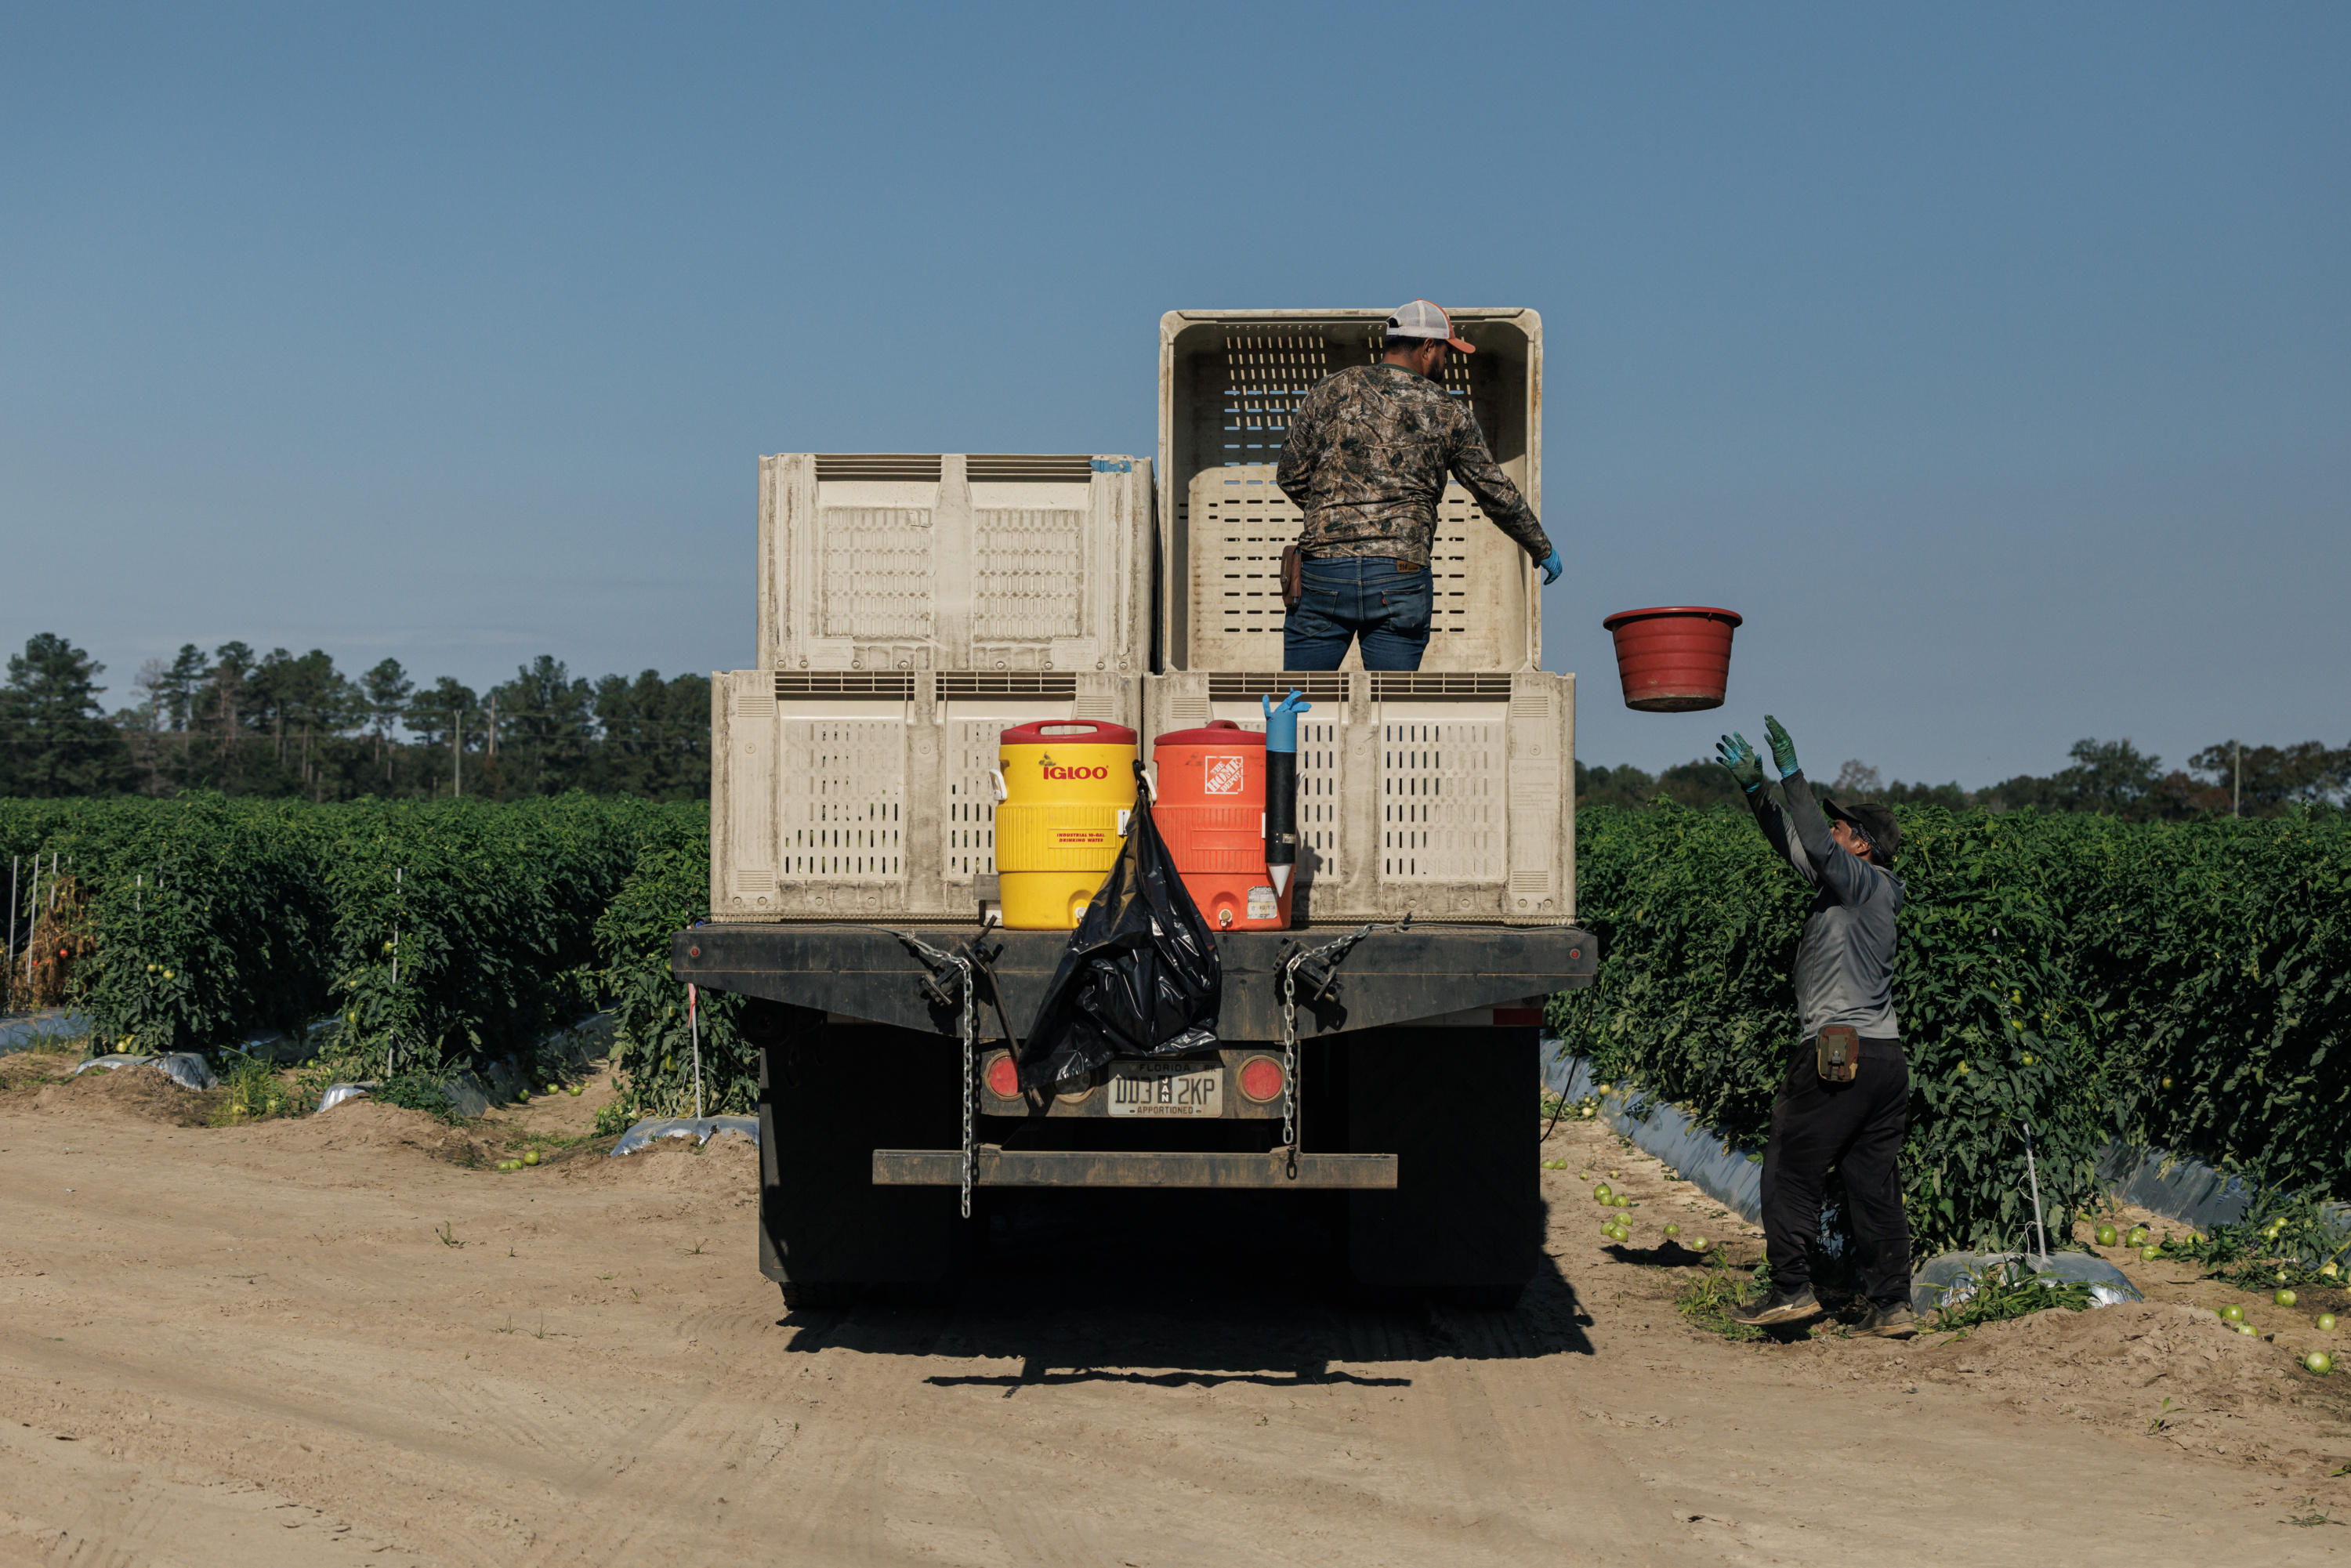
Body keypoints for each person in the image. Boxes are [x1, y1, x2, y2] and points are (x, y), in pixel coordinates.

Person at [1715, 716, 1917, 1336]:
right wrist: (1758, 795)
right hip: (1884, 1060)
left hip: (1841, 1052)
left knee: (1791, 1165)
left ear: (1862, 844)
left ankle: (1791, 1289)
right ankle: (1891, 1305)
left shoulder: (1864, 885)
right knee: (1872, 1182)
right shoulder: (1851, 888)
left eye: (1841, 826)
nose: (1830, 831)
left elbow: (1818, 846)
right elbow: (1796, 846)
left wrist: (1792, 777)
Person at [1273, 299, 1563, 672]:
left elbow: (1289, 474)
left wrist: (1336, 514)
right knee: (1392, 710)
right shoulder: (1448, 412)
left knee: (1301, 705)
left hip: (1324, 573)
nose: (1447, 361)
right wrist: (1540, 547)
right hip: (1399, 578)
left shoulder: (1330, 389)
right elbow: (1494, 492)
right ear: (1428, 348)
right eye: (1446, 351)